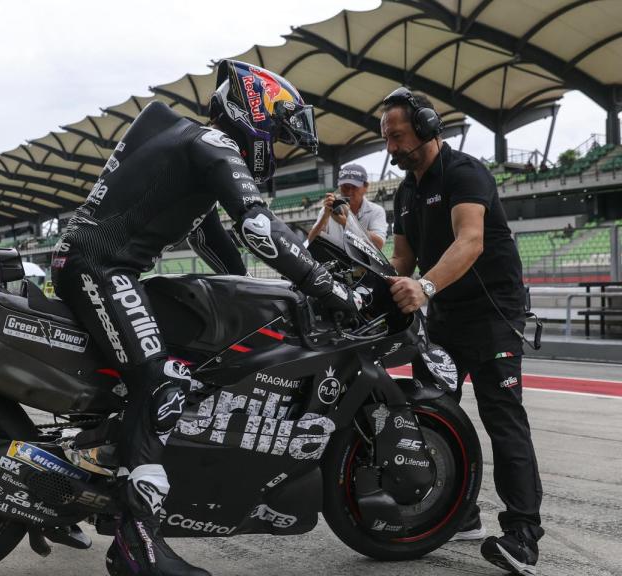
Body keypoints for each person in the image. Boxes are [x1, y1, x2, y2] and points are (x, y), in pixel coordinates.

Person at [52, 60, 360, 576]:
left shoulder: (192, 146)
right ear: (254, 112)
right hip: (100, 268)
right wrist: (323, 285)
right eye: (278, 131)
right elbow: (258, 225)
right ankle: (137, 545)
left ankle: (96, 466)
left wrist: (265, 289)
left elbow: (211, 237)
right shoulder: (212, 144)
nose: (277, 146)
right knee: (159, 381)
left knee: (163, 369)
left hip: (97, 265)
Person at [380, 87, 543, 575]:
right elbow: (403, 259)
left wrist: (424, 287)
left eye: (398, 136)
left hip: (494, 317)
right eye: (386, 138)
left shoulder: (465, 172)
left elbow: (469, 241)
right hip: (444, 319)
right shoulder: (407, 190)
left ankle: (522, 535)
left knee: (502, 419)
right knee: (429, 413)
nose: (391, 148)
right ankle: (458, 513)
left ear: (427, 127)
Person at [306, 163, 387, 250]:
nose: (349, 191)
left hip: (362, 263)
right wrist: (325, 217)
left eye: (354, 186)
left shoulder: (376, 211)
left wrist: (347, 224)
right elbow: (311, 241)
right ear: (339, 186)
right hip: (336, 261)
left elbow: (379, 245)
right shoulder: (328, 208)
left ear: (365, 187)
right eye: (345, 186)